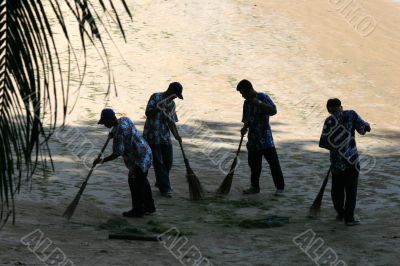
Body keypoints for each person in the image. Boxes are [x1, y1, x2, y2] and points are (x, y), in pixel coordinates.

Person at [94, 108, 155, 218]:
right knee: (142, 180)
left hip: (139, 159)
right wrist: (112, 132)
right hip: (146, 152)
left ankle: (138, 210)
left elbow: (117, 153)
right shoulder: (124, 119)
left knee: (134, 182)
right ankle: (149, 207)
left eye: (104, 122)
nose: (104, 125)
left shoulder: (119, 133)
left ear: (110, 120)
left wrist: (101, 161)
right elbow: (123, 129)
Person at [319, 98, 371, 226]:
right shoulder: (350, 114)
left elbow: (323, 143)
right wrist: (367, 127)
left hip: (336, 162)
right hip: (352, 161)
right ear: (341, 107)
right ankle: (349, 218)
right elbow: (363, 129)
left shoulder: (329, 120)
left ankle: (340, 213)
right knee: (351, 191)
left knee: (337, 189)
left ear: (329, 110)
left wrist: (336, 148)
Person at [237, 79, 285, 196]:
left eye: (243, 93)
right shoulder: (246, 103)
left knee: (274, 164)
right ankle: (254, 187)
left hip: (266, 139)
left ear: (249, 90)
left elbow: (273, 111)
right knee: (254, 165)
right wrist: (245, 127)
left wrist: (258, 103)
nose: (243, 96)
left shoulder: (262, 97)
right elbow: (247, 119)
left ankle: (280, 188)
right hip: (253, 140)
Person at [143, 82, 183, 198]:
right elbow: (148, 113)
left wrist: (177, 136)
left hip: (164, 136)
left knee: (168, 161)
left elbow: (171, 122)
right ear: (170, 91)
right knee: (158, 162)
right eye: (175, 95)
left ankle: (161, 182)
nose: (175, 97)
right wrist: (158, 107)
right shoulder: (156, 97)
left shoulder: (172, 104)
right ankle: (165, 188)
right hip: (152, 135)